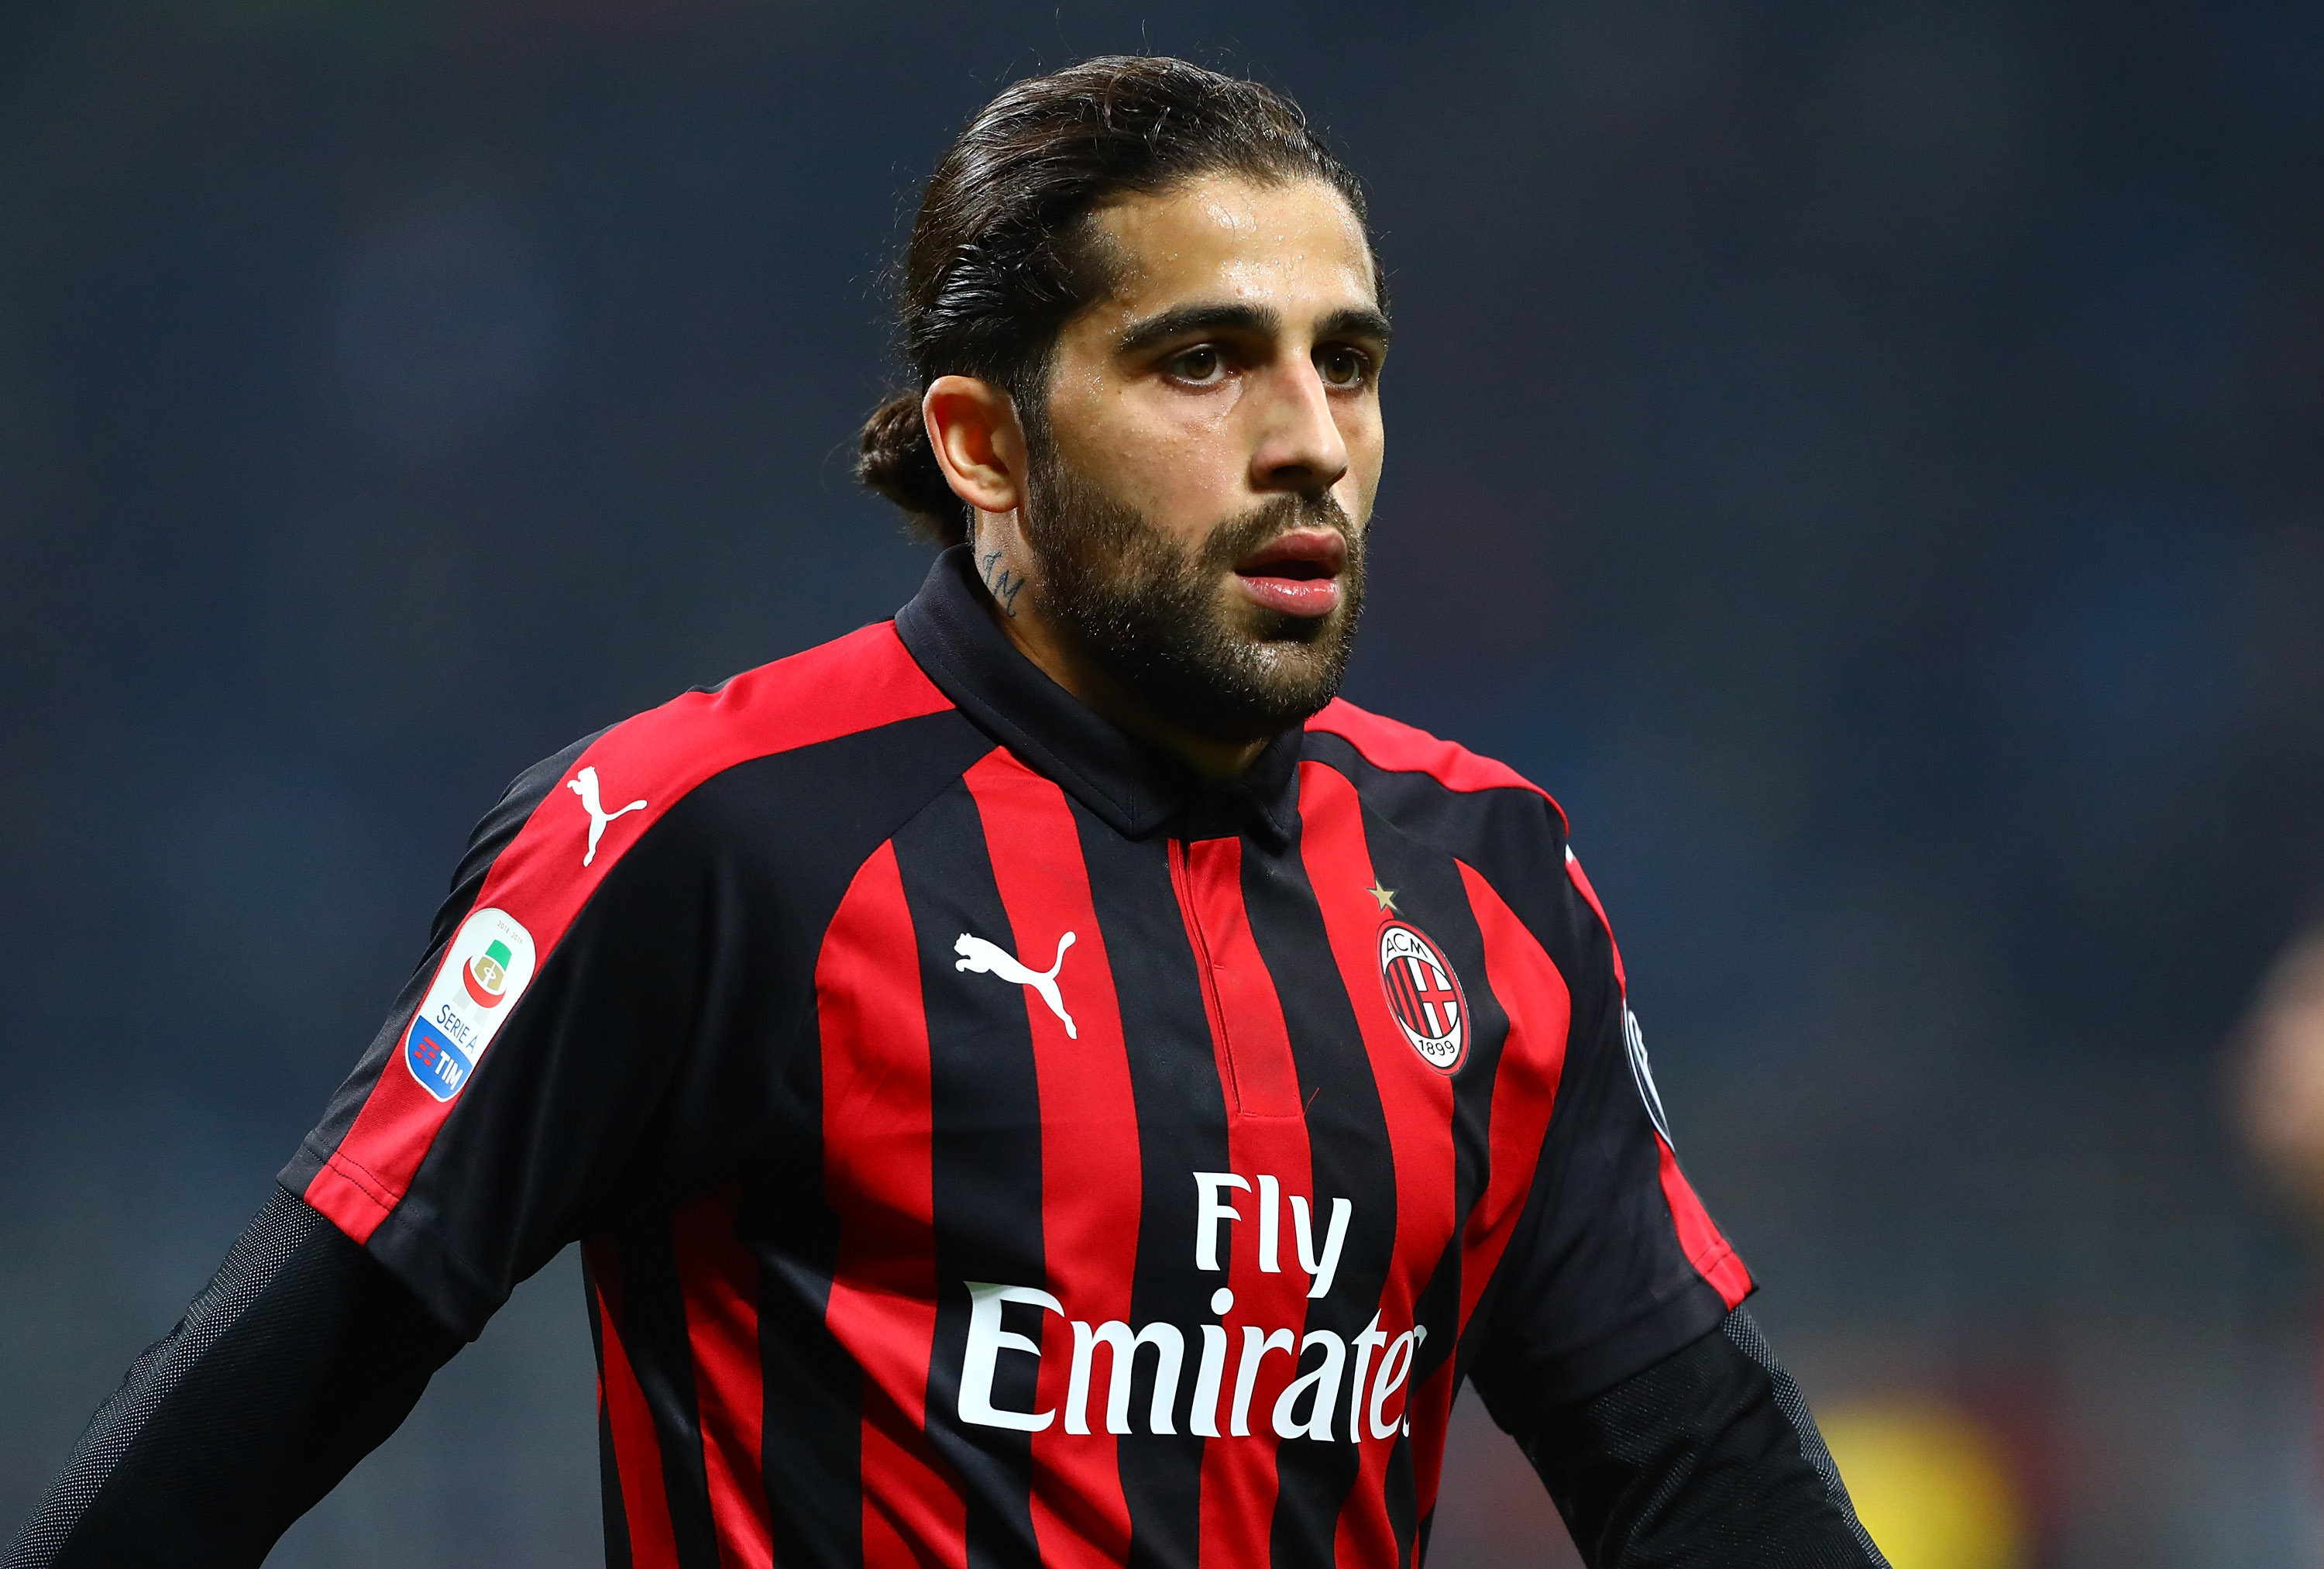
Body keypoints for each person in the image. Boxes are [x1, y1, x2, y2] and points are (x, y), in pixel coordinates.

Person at [6, 57, 1884, 1569]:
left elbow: (1698, 1459)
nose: (1312, 433)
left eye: (1350, 359)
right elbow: (254, 1402)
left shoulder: (1488, 882)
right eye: (1203, 358)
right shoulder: (710, 833)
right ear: (985, 440)